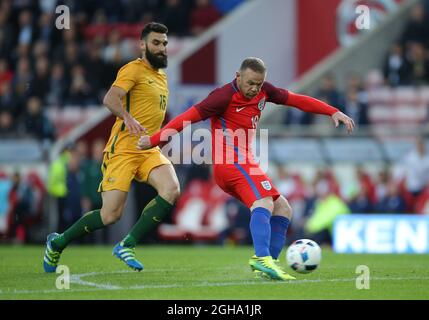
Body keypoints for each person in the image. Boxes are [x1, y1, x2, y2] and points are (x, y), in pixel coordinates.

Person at [137, 57, 355, 280]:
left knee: (283, 208)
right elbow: (187, 118)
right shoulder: (222, 96)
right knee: (264, 202)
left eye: (259, 84)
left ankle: (269, 266)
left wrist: (332, 111)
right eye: (250, 83)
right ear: (238, 76)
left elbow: (296, 100)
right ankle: (261, 258)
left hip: (244, 163)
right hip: (229, 163)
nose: (254, 89)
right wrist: (155, 140)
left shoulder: (264, 92)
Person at [43, 22, 180, 273]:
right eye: (156, 43)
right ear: (142, 45)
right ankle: (57, 242)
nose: (162, 48)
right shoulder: (133, 69)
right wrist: (127, 117)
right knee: (110, 215)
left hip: (147, 149)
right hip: (123, 151)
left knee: (171, 189)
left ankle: (127, 244)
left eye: (164, 44)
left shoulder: (162, 77)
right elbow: (110, 98)